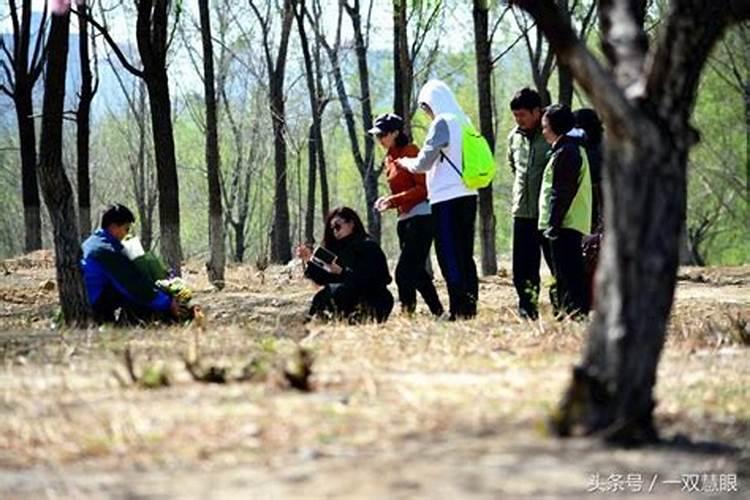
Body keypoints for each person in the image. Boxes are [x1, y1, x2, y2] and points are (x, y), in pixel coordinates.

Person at [396, 79, 479, 320]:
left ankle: (457, 309)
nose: (427, 113)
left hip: (446, 198)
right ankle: (470, 307)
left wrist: (406, 163)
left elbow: (424, 162)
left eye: (426, 107)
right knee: (465, 254)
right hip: (468, 194)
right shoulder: (465, 121)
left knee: (448, 254)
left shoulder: (442, 122)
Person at [368, 113, 444, 317]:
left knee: (403, 273)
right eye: (377, 135)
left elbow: (423, 189)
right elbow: (401, 192)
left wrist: (393, 200)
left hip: (422, 218)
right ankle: (439, 313)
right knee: (418, 272)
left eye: (383, 134)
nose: (379, 139)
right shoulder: (389, 158)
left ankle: (407, 316)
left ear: (395, 132)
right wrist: (387, 201)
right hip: (404, 220)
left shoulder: (411, 151)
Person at [81, 204, 179, 324]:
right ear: (113, 227)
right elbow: (132, 286)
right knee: (138, 293)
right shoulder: (106, 251)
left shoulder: (91, 242)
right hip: (95, 304)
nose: (126, 234)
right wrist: (167, 302)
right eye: (126, 229)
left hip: (86, 299)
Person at [539, 104, 592, 317]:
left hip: (565, 223)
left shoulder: (567, 151)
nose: (542, 131)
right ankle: (571, 312)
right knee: (567, 272)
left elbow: (562, 191)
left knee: (567, 273)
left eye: (545, 126)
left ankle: (573, 313)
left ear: (555, 128)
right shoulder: (570, 148)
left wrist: (554, 223)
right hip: (567, 221)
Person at [296, 207, 394, 323]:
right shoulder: (337, 249)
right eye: (331, 228)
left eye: (338, 226)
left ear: (351, 223)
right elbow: (324, 279)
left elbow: (375, 280)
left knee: (338, 290)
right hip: (347, 299)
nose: (335, 231)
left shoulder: (368, 246)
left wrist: (342, 272)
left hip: (374, 299)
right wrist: (309, 260)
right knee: (329, 292)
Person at [507, 87, 554, 320]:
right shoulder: (513, 137)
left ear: (538, 112)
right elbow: (514, 168)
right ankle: (528, 310)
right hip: (522, 213)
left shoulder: (551, 133)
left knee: (557, 267)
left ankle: (565, 308)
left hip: (550, 214)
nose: (519, 120)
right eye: (516, 116)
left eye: (523, 115)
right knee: (522, 269)